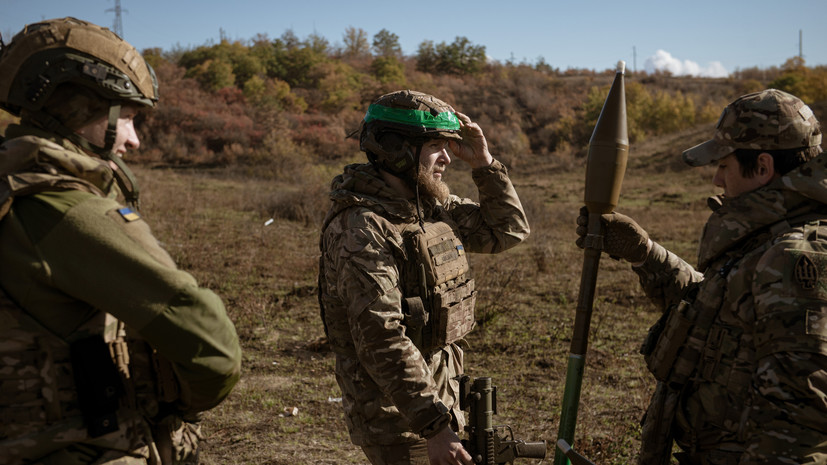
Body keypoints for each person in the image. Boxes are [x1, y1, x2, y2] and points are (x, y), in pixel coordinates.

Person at [0, 17, 241, 464]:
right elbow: (210, 342)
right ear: (75, 107)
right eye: (126, 117)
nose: (133, 139)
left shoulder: (9, 190)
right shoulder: (67, 212)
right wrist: (178, 406)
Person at [576, 88, 827, 464]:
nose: (717, 180)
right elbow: (713, 308)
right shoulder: (767, 238)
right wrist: (645, 254)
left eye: (724, 165)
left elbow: (798, 424)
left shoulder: (794, 257)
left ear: (762, 167)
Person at [318, 90, 530, 465]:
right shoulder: (361, 227)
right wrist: (434, 427)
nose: (448, 157)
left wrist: (484, 162)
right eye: (435, 145)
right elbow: (381, 336)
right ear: (394, 147)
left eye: (449, 145)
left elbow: (508, 230)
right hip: (399, 418)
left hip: (438, 399)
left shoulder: (431, 206)